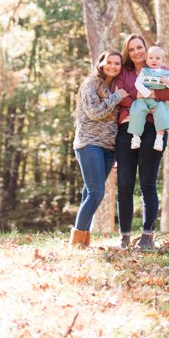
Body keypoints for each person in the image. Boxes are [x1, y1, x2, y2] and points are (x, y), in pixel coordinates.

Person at [114, 33, 169, 250]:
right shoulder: (123, 72)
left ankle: (147, 236)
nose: (136, 52)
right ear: (128, 52)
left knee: (147, 184)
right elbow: (119, 97)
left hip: (153, 128)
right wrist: (137, 100)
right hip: (127, 130)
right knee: (124, 184)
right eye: (131, 49)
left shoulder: (160, 68)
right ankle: (124, 236)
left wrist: (152, 94)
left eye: (139, 47)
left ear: (145, 48)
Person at [71, 50, 128, 248]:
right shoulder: (91, 84)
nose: (113, 66)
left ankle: (82, 242)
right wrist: (116, 98)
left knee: (90, 193)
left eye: (117, 63)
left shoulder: (115, 86)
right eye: (109, 62)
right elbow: (94, 113)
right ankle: (76, 240)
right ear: (101, 63)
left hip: (108, 148)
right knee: (96, 193)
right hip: (89, 144)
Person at [127, 45, 169, 151]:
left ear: (162, 61)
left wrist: (168, 82)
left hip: (157, 101)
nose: (154, 60)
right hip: (143, 98)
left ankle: (159, 140)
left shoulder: (165, 73)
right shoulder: (144, 72)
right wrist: (146, 93)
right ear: (147, 60)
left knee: (162, 113)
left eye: (158, 58)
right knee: (137, 111)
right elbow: (138, 83)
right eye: (151, 58)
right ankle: (136, 137)